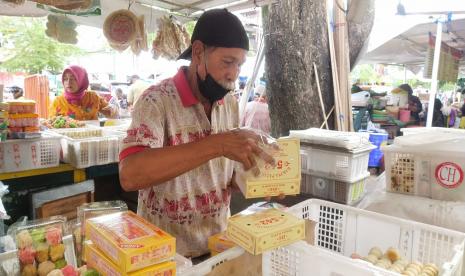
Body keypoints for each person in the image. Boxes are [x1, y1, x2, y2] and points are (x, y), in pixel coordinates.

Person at [119, 9, 276, 258]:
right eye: (227, 62)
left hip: (218, 246)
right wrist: (218, 144)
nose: (233, 75)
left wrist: (259, 181)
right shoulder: (156, 101)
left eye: (239, 64)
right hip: (165, 256)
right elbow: (130, 174)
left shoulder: (230, 103)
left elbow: (224, 179)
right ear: (198, 52)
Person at [49, 65, 117, 120]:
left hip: (93, 136)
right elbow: (51, 125)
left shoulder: (93, 97)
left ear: (81, 80)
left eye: (73, 79)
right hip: (67, 136)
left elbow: (111, 113)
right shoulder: (58, 102)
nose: (68, 82)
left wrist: (113, 109)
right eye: (65, 79)